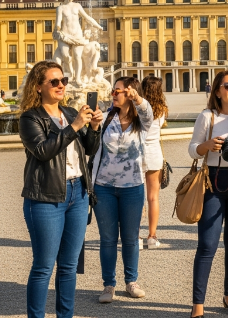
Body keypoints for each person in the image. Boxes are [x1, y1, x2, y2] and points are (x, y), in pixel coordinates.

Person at [19, 61, 102, 318]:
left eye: (63, 80)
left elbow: (88, 149)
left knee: (68, 266)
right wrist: (75, 125)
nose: (61, 85)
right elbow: (43, 151)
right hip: (46, 198)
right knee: (43, 266)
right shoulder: (30, 117)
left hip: (77, 193)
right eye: (54, 81)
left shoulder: (67, 112)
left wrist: (94, 128)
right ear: (39, 87)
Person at [188, 71, 228, 318]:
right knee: (207, 244)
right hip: (213, 180)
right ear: (217, 91)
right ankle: (198, 303)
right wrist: (207, 146)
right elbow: (192, 149)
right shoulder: (208, 116)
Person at [92, 76, 154, 304]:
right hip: (104, 187)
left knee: (130, 238)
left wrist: (137, 98)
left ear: (130, 93)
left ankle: (131, 281)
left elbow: (149, 114)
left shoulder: (141, 121)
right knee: (108, 238)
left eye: (118, 91)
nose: (113, 94)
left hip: (132, 187)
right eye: (113, 91)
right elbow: (90, 144)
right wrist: (93, 126)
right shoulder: (107, 116)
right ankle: (109, 285)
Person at [140, 75, 168, 249]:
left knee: (136, 198)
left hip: (138, 153)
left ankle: (135, 236)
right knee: (153, 198)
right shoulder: (162, 109)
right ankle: (152, 237)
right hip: (154, 153)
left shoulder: (138, 108)